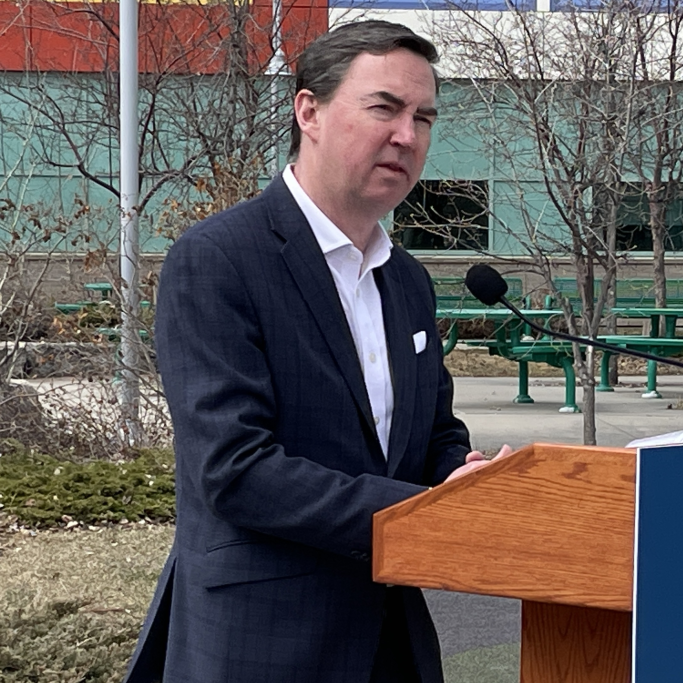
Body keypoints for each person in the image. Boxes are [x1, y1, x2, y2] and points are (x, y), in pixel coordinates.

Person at [124, 20, 507, 683]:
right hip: (263, 642)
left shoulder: (409, 281)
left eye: (423, 117)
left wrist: (456, 475)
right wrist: (417, 511)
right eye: (385, 107)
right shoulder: (218, 260)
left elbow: (435, 431)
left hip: (393, 641)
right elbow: (235, 469)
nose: (407, 136)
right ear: (310, 111)